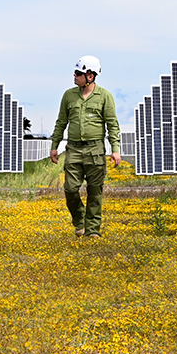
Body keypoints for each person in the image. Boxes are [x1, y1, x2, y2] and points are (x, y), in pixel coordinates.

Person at [50, 55, 121, 238]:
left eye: (78, 73)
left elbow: (112, 124)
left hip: (95, 150)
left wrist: (115, 150)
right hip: (73, 149)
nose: (74, 76)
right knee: (70, 189)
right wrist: (54, 146)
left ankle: (93, 230)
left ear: (90, 76)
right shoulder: (68, 95)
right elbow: (61, 122)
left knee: (95, 191)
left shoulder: (105, 97)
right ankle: (79, 221)